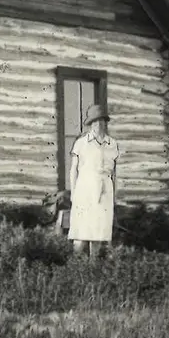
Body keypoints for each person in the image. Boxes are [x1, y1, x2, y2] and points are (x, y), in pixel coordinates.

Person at [68, 104, 121, 258]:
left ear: (105, 123)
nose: (98, 125)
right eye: (95, 122)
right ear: (90, 124)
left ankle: (94, 266)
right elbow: (73, 170)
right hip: (85, 188)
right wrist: (73, 193)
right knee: (82, 230)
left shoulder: (112, 144)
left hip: (105, 188)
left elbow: (115, 172)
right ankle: (75, 266)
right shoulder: (81, 143)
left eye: (101, 121)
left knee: (99, 231)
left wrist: (114, 194)